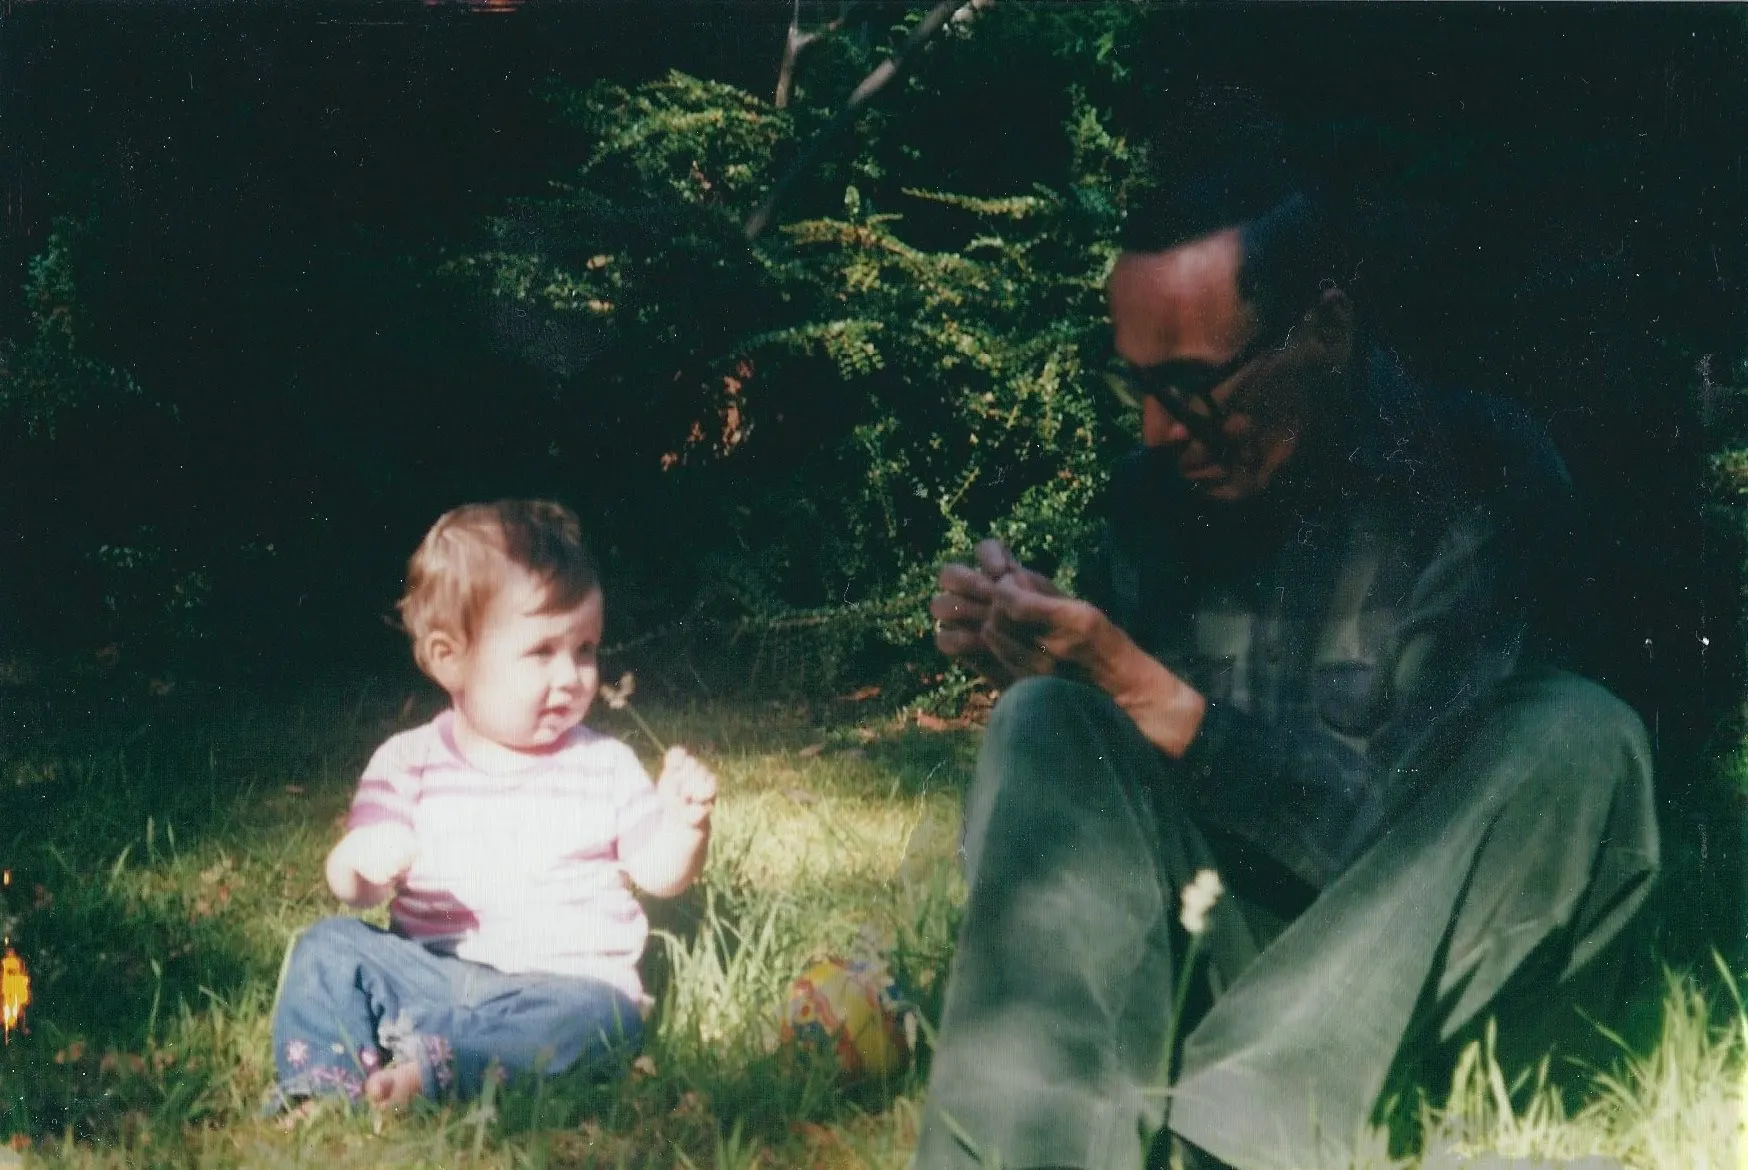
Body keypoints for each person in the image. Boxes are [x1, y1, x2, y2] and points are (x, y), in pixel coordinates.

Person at [912, 188, 1659, 1170]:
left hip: (1410, 990)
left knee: (1578, 733)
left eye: (1188, 384)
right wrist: (1055, 667)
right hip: (1221, 966)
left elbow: (1413, 847)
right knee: (1044, 716)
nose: (1154, 430)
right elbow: (1104, 856)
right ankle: (1035, 1146)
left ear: (1325, 329)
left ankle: (1224, 1140)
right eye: (1133, 384)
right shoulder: (1147, 506)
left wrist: (1143, 691)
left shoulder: (1481, 471)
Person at [265, 499, 717, 1112]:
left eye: (585, 650)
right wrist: (361, 862)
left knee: (605, 1015)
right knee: (328, 948)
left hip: (558, 989)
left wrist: (685, 827)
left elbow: (660, 875)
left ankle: (438, 1070)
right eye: (541, 652)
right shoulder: (410, 761)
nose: (572, 676)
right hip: (429, 972)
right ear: (449, 658)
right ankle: (322, 1091)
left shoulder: (603, 765)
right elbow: (356, 889)